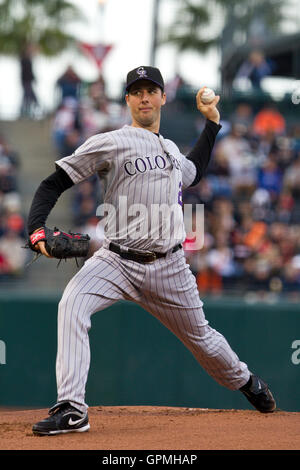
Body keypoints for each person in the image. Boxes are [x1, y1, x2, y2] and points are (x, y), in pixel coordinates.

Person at [27, 66, 276, 436]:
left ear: (162, 97)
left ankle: (245, 381)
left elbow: (196, 171)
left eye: (151, 90)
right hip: (115, 259)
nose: (144, 97)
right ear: (128, 99)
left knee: (203, 340)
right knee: (71, 305)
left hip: (170, 267)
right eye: (137, 91)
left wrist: (212, 124)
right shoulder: (110, 141)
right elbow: (54, 182)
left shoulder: (173, 151)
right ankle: (72, 408)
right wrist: (36, 230)